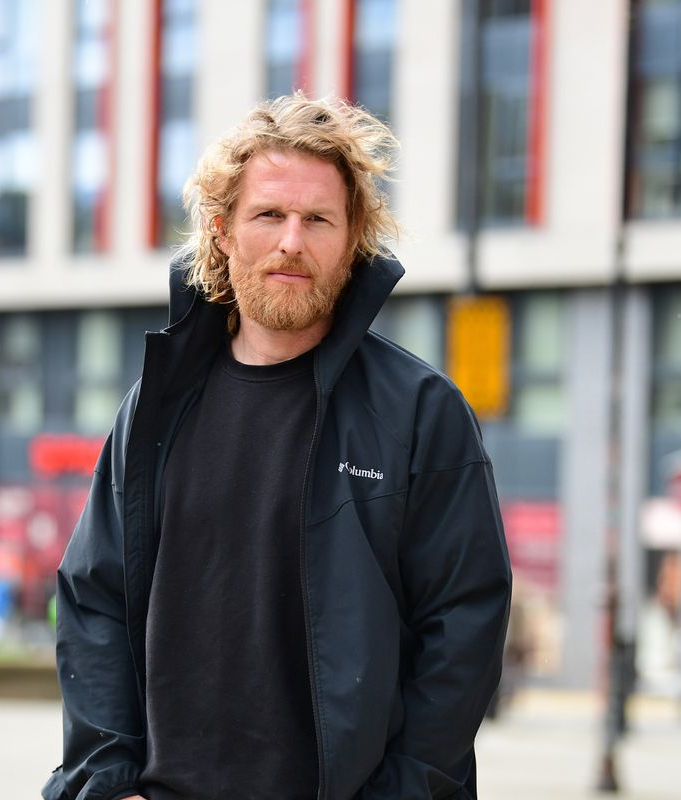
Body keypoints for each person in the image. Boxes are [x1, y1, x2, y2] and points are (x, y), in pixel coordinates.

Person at [43, 94, 512, 800]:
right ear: (223, 231)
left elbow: (463, 627)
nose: (292, 241)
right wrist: (106, 781)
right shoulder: (156, 408)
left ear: (352, 240)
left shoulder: (419, 412)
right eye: (268, 215)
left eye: (318, 219)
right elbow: (95, 601)